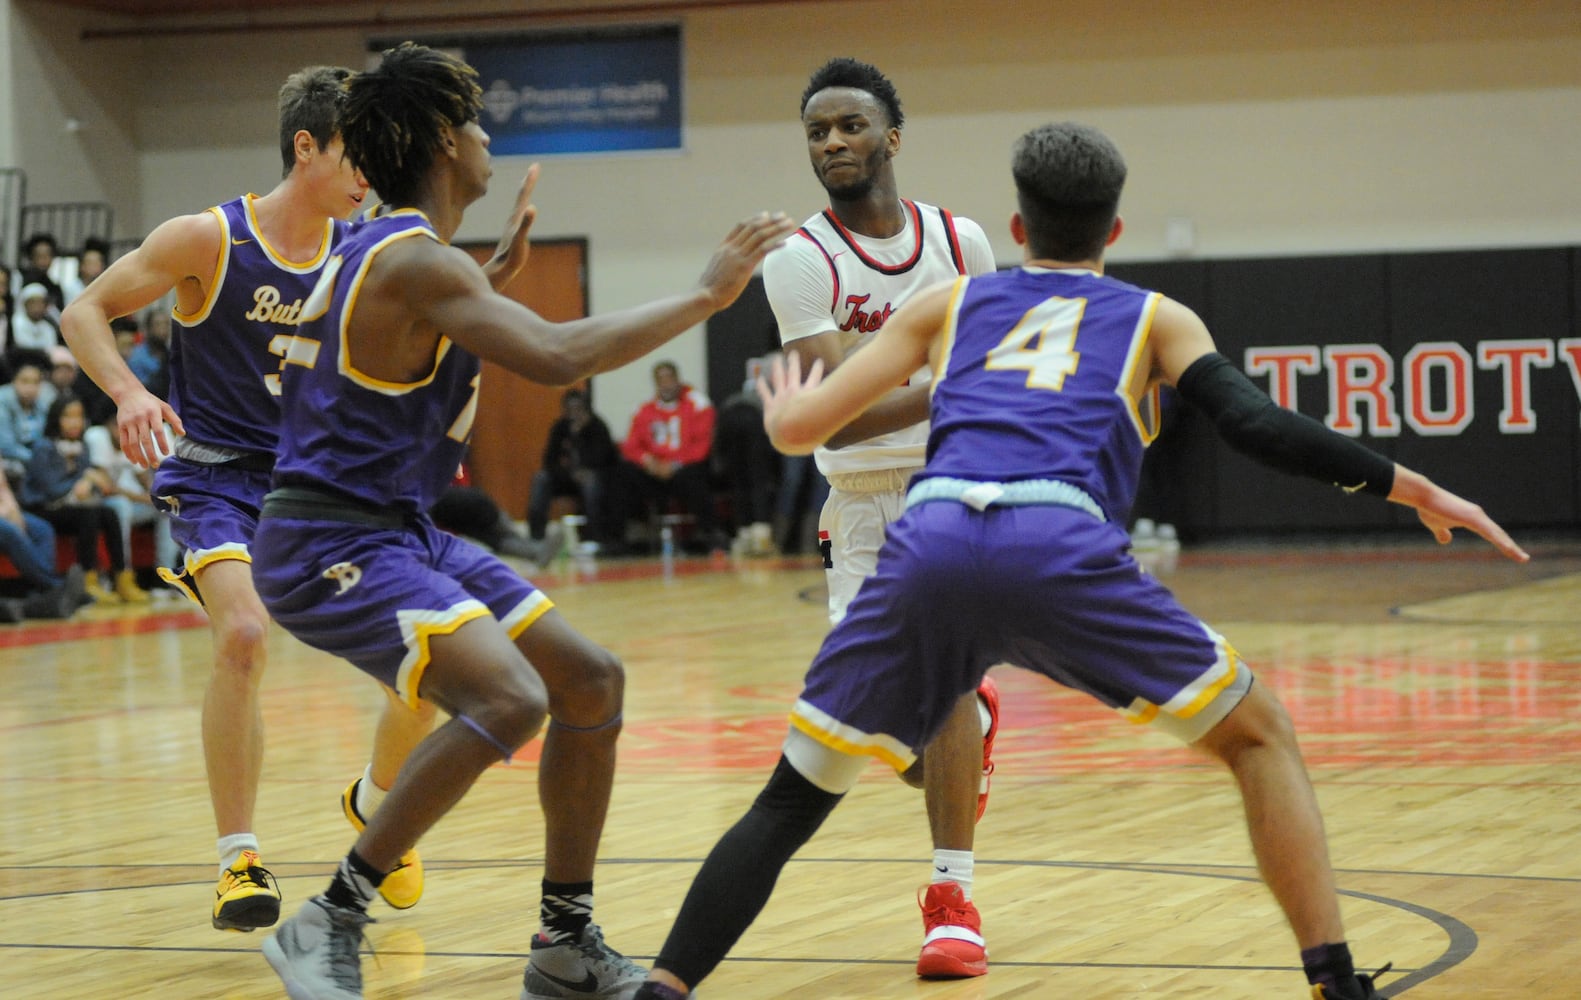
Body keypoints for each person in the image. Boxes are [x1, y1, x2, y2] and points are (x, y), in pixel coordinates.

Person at [631, 121, 1531, 1000]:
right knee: (1259, 737)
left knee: (789, 802)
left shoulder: (950, 303)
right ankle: (1334, 981)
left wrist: (789, 410)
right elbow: (1256, 425)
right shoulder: (1155, 316)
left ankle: (664, 986)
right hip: (1055, 540)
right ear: (1116, 229)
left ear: (1017, 231)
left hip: (929, 538)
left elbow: (805, 426)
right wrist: (1413, 488)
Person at [243, 42, 794, 1000]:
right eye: (477, 119)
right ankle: (331, 916)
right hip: (331, 538)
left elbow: (410, 328)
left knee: (588, 680)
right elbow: (553, 355)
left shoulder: (409, 257)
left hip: (392, 526)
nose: (490, 135)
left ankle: (563, 939)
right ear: (445, 140)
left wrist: (484, 275)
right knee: (510, 698)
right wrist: (706, 295)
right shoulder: (420, 262)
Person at [60, 65, 439, 935]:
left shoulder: (365, 251)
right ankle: (239, 858)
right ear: (305, 148)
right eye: (356, 155)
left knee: (426, 661)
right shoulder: (208, 239)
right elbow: (86, 311)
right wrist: (126, 393)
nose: (368, 177)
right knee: (241, 633)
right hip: (221, 475)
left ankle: (380, 808)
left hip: (326, 485)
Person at [759, 56, 1001, 978]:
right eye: (817, 131)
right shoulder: (797, 259)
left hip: (951, 490)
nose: (832, 143)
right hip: (857, 506)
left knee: (939, 689)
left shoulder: (960, 240)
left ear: (891, 137)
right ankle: (965, 733)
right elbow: (838, 409)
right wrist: (944, 381)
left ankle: (951, 899)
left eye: (850, 126)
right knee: (878, 728)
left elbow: (983, 374)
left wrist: (933, 387)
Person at [18, 393, 148, 603]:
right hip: (44, 507)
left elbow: (90, 486)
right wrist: (85, 479)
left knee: (109, 513)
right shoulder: (44, 447)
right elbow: (50, 489)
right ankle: (89, 581)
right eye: (68, 416)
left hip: (72, 507)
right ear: (56, 419)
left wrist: (90, 482)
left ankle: (122, 579)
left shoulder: (82, 446)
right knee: (89, 514)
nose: (74, 422)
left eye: (78, 416)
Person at [606, 360, 724, 555]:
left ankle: (711, 537)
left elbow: (702, 445)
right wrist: (649, 462)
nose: (666, 384)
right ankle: (617, 541)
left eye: (670, 378)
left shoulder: (697, 404)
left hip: (683, 470)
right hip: (654, 472)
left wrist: (675, 465)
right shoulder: (645, 410)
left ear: (678, 380)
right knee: (621, 473)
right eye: (661, 380)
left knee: (696, 475)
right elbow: (631, 446)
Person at [526, 387, 616, 546]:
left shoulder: (598, 427)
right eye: (570, 409)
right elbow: (549, 461)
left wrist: (580, 438)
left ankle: (593, 538)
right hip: (564, 477)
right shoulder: (560, 428)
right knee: (540, 478)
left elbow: (605, 460)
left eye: (578, 409)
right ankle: (536, 537)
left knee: (591, 483)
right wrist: (567, 472)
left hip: (592, 477)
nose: (574, 414)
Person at [0, 469, 86, 622]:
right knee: (12, 533)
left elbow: (3, 488)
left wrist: (14, 511)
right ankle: (56, 588)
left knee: (43, 530)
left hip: (5, 512)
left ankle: (45, 594)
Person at [0, 353, 58, 484]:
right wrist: (38, 459)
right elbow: (6, 446)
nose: (30, 388)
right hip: (8, 460)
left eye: (36, 382)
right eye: (25, 381)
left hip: (33, 458)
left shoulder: (41, 404)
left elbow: (45, 438)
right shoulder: (2, 401)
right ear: (14, 380)